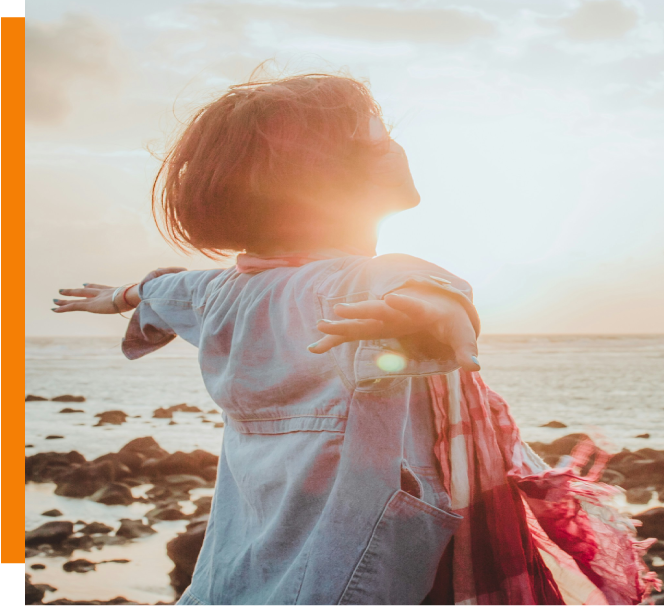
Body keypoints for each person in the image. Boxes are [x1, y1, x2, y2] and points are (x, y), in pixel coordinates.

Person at [53, 72, 657, 606]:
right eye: (378, 138)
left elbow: (167, 289)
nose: (397, 145)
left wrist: (122, 296)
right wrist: (420, 313)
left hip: (245, 568)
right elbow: (437, 297)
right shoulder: (369, 279)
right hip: (365, 569)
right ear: (320, 175)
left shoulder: (222, 292)